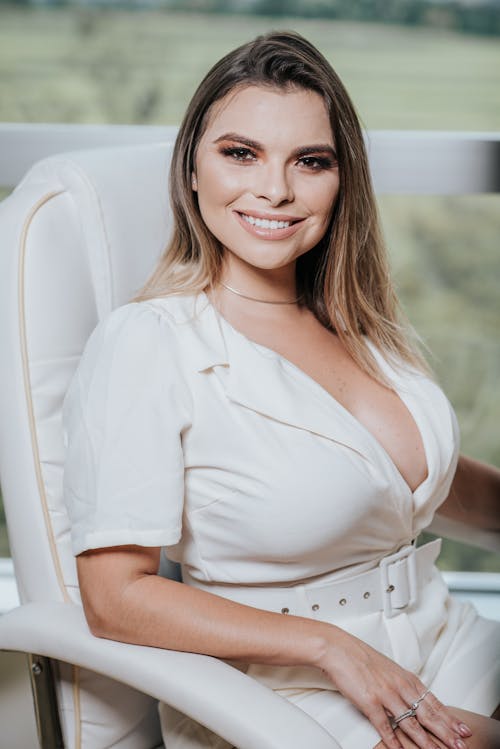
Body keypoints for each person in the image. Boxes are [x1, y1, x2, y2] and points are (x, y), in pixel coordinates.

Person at [62, 31, 500, 749]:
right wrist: (329, 644)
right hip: (282, 692)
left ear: (341, 180)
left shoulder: (359, 326)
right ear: (192, 171)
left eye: (311, 161)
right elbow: (115, 598)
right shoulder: (149, 344)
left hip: (444, 638)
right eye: (241, 153)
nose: (275, 189)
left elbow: (411, 483)